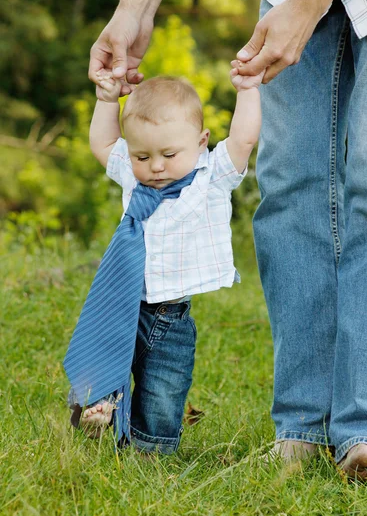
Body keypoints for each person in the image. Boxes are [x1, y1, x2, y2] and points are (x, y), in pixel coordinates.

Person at [88, 0, 367, 479]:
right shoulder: (135, 169)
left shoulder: (207, 166)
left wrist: (313, 2)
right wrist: (133, 8)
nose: (154, 167)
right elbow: (108, 144)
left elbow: (236, 144)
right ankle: (301, 430)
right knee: (289, 184)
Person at [65, 69, 263, 452]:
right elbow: (103, 143)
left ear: (201, 141)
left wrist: (247, 90)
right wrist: (107, 101)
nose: (155, 166)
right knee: (108, 352)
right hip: (125, 304)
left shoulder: (212, 175)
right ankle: (101, 404)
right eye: (142, 155)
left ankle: (149, 451)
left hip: (172, 317)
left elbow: (244, 138)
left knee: (164, 388)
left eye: (169, 155)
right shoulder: (133, 177)